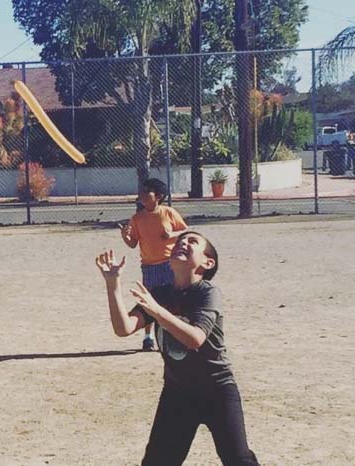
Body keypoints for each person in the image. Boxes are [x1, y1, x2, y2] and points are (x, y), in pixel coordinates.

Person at [96, 234, 261, 465]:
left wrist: (156, 311)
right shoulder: (160, 294)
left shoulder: (207, 293)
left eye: (192, 242)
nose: (182, 243)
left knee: (238, 459)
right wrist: (112, 284)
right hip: (178, 392)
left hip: (217, 389)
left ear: (208, 263)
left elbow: (194, 339)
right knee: (158, 461)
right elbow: (123, 328)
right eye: (179, 241)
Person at [120, 178, 188, 351]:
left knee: (173, 300)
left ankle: (173, 334)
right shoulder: (137, 218)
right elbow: (133, 243)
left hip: (169, 264)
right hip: (149, 267)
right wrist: (125, 236)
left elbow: (185, 232)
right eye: (141, 191)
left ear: (157, 196)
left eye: (146, 191)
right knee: (149, 301)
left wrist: (171, 234)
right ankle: (148, 337)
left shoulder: (168, 213)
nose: (141, 194)